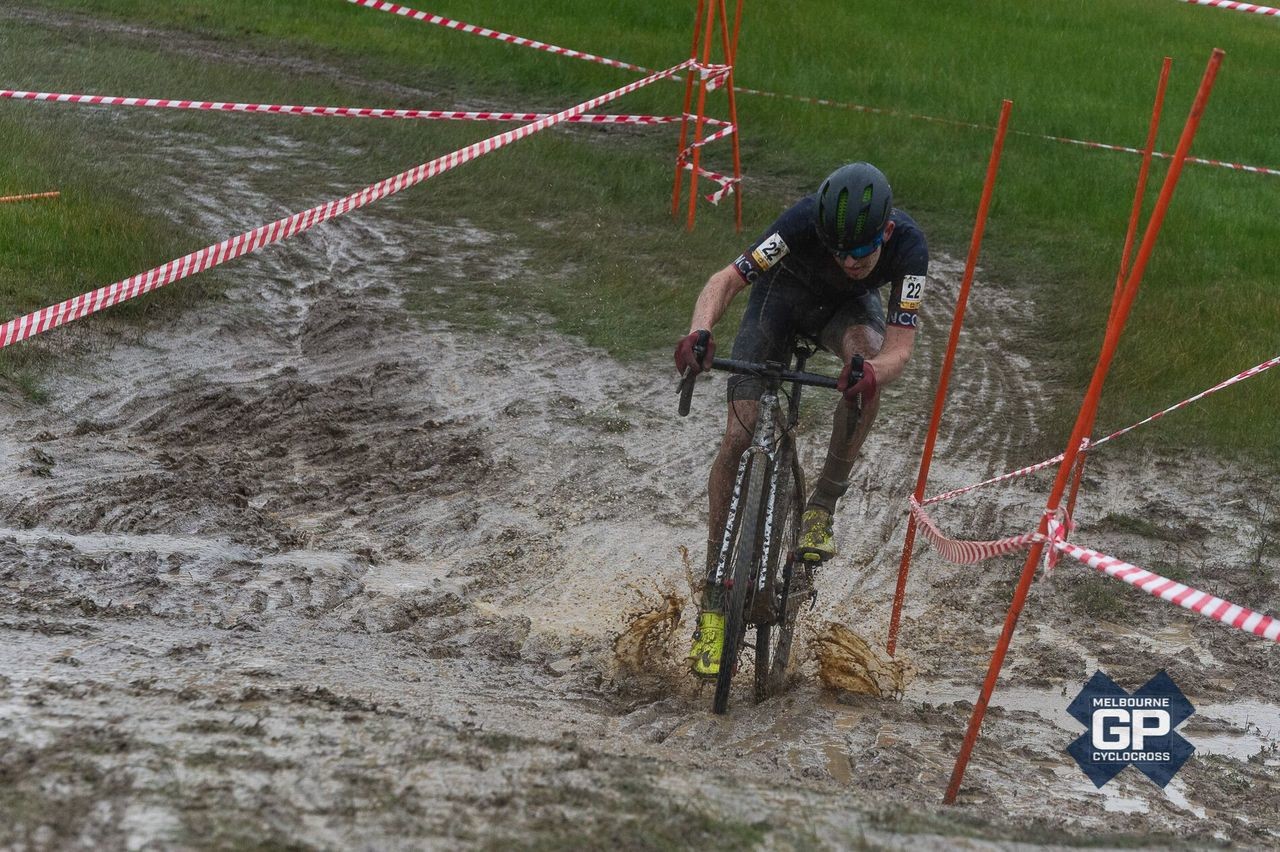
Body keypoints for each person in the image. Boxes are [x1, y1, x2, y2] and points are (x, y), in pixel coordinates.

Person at [674, 161, 929, 678]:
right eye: (838, 250)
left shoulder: (909, 249)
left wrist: (871, 373)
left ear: (884, 231)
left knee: (866, 368)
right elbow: (725, 280)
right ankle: (714, 601)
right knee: (736, 436)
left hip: (846, 315)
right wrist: (699, 331)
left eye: (861, 252)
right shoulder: (800, 222)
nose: (850, 261)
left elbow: (899, 349)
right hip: (779, 302)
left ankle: (821, 508)